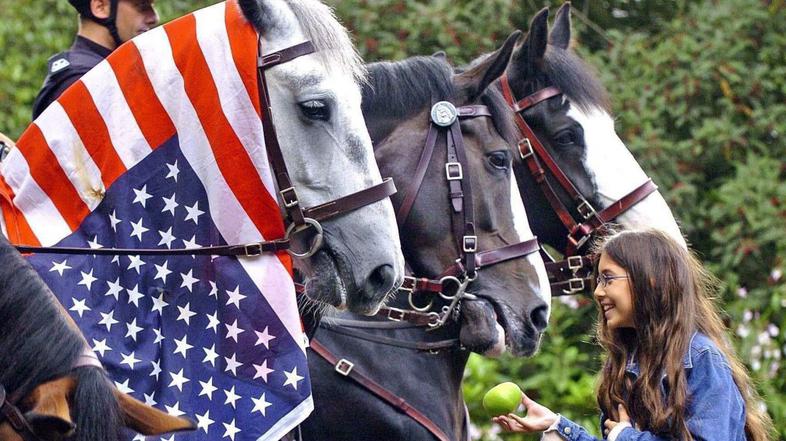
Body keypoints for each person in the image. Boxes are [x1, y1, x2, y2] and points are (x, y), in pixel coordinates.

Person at [493, 229, 773, 441]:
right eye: (598, 280)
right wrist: (557, 426)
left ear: (649, 280)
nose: (597, 291)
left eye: (608, 278)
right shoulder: (625, 364)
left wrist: (625, 437)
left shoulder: (700, 359)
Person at [32, 0, 159, 119]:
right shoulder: (81, 83)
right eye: (142, 6)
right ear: (100, 7)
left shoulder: (109, 70)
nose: (154, 18)